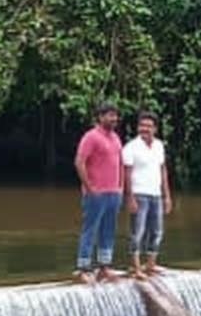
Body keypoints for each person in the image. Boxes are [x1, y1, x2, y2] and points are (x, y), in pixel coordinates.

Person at [74, 103, 124, 284]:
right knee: (90, 229)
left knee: (108, 230)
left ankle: (104, 267)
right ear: (100, 117)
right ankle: (83, 268)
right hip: (96, 193)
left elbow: (120, 163)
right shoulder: (91, 137)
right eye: (110, 115)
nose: (114, 119)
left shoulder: (116, 138)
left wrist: (121, 187)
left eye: (115, 116)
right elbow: (79, 162)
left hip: (113, 193)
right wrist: (89, 187)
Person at [123, 111, 173, 277]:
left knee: (157, 231)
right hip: (139, 194)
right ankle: (136, 267)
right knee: (137, 232)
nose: (144, 129)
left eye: (148, 126)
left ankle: (151, 264)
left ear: (155, 129)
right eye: (142, 125)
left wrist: (167, 196)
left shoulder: (159, 145)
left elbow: (163, 170)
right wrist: (129, 197)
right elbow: (126, 174)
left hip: (156, 194)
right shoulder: (131, 147)